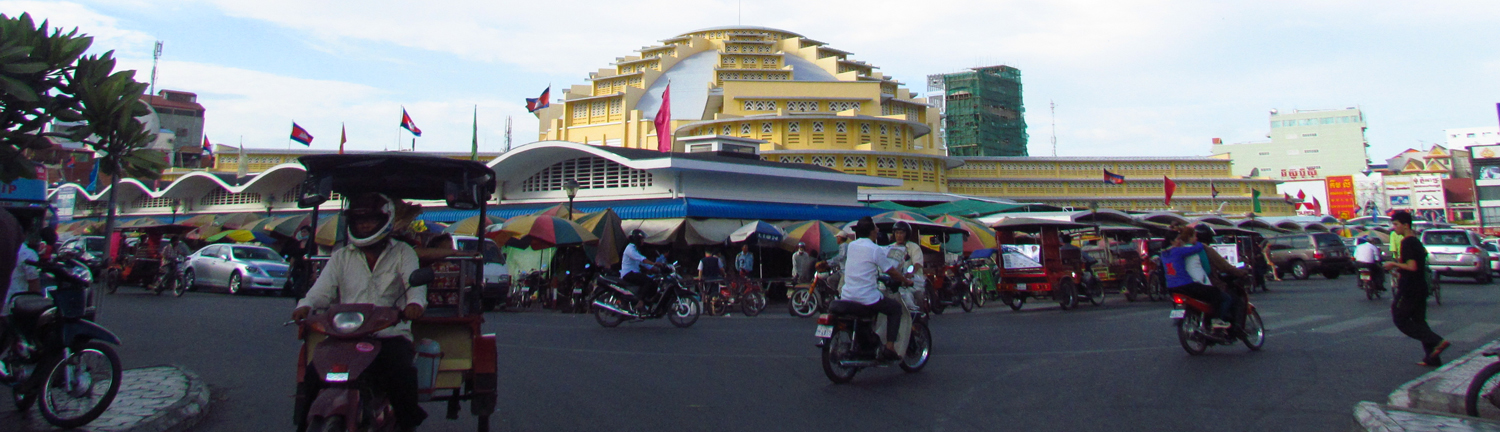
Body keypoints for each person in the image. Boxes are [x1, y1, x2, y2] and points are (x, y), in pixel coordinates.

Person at [290, 193, 428, 432]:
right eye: (359, 220)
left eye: (371, 220)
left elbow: (414, 287)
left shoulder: (404, 253)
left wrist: (414, 305)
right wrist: (305, 305)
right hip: (346, 337)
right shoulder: (341, 257)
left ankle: (407, 426)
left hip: (390, 334)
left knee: (402, 373)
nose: (364, 225)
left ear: (385, 220)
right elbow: (321, 291)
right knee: (312, 376)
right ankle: (302, 425)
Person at [840, 217, 913, 359]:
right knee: (895, 309)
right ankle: (890, 347)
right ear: (871, 231)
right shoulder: (875, 249)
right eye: (876, 228)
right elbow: (890, 270)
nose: (878, 230)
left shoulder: (852, 246)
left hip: (847, 295)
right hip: (867, 297)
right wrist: (905, 280)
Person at [1384, 211, 1450, 367]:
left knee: (1400, 318)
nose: (1394, 228)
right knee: (1419, 321)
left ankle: (1437, 341)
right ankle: (1432, 357)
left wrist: (1394, 265)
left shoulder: (1407, 242)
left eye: (1396, 224)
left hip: (1410, 287)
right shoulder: (1417, 241)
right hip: (1421, 286)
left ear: (1406, 225)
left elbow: (1412, 266)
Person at [1161, 225, 1233, 330]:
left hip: (1171, 288)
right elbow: (1198, 248)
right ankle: (1216, 320)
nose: (1180, 241)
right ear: (1172, 241)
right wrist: (1198, 243)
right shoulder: (1178, 251)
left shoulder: (1163, 253)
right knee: (1217, 294)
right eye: (1178, 239)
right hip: (1186, 285)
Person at [621, 229, 664, 309]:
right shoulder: (630, 249)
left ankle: (647, 302)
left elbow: (643, 264)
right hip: (628, 274)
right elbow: (642, 259)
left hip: (634, 273)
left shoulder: (636, 250)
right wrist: (654, 263)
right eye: (641, 239)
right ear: (637, 239)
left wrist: (657, 269)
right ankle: (640, 301)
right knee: (647, 280)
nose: (643, 241)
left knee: (654, 282)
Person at [888, 222, 925, 312]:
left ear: (907, 234)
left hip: (913, 281)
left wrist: (910, 273)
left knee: (918, 295)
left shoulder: (913, 247)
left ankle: (920, 315)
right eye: (897, 233)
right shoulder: (890, 248)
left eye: (901, 233)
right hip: (896, 280)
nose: (899, 236)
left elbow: (917, 264)